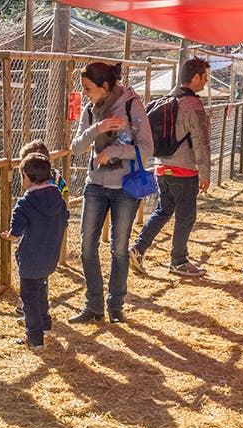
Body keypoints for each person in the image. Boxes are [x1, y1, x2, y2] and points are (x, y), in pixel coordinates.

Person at [69, 62, 154, 324]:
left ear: (105, 86)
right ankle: (93, 305)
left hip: (124, 188)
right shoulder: (90, 110)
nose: (84, 93)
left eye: (88, 88)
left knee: (119, 248)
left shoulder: (131, 105)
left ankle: (116, 304)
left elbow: (147, 147)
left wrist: (113, 151)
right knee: (87, 247)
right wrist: (98, 128)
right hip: (95, 184)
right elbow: (76, 147)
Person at [129, 58, 212, 277]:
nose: (206, 81)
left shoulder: (167, 99)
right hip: (184, 170)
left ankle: (138, 248)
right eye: (205, 76)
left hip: (161, 167)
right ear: (195, 77)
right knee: (186, 215)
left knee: (164, 210)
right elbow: (201, 141)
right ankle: (179, 260)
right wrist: (205, 173)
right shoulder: (193, 105)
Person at [0, 154, 69, 349]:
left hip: (31, 258)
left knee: (29, 297)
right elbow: (64, 220)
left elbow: (16, 230)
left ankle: (34, 337)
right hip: (50, 256)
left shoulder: (26, 202)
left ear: (26, 176)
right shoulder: (58, 197)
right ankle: (45, 324)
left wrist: (9, 236)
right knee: (41, 289)